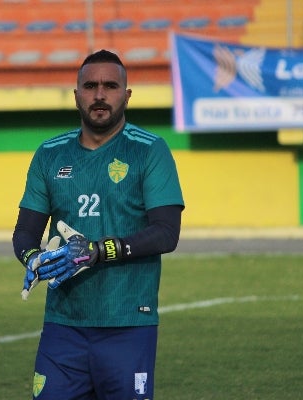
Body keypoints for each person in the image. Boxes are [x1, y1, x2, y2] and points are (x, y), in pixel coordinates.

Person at [12, 49, 184, 399]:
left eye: (110, 85)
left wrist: (98, 251)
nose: (100, 94)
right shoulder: (49, 154)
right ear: (77, 95)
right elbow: (25, 232)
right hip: (64, 326)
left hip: (128, 324)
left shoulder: (150, 150)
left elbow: (167, 232)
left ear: (127, 94)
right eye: (90, 86)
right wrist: (32, 256)